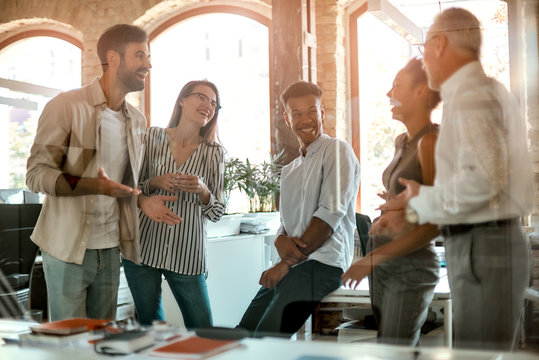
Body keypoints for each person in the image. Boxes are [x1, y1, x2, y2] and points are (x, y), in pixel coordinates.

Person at [380, 8, 533, 350]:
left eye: (423, 48)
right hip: (483, 244)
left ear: (438, 43)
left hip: (484, 246)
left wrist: (418, 199)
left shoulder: (472, 95)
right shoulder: (477, 92)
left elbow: (482, 181)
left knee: (477, 357)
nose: (425, 59)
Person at [25, 24, 178, 321]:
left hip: (110, 249)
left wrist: (141, 199)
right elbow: (36, 174)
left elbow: (123, 183)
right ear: (114, 57)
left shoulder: (136, 120)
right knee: (70, 345)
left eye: (148, 56)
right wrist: (90, 185)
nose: (148, 64)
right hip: (67, 248)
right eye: (140, 55)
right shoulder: (67, 106)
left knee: (100, 342)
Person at [238, 81, 360, 337]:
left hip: (323, 266)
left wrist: (284, 264)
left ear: (322, 113)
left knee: (267, 340)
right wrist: (280, 241)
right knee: (243, 333)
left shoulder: (337, 151)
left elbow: (327, 219)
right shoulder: (289, 170)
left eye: (312, 111)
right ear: (287, 118)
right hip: (294, 267)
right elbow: (286, 223)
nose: (306, 120)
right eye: (297, 113)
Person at [342, 58, 441, 346]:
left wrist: (370, 260)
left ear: (422, 91)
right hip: (386, 264)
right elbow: (415, 200)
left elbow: (434, 223)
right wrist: (394, 204)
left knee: (395, 351)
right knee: (392, 347)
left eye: (397, 85)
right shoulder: (402, 141)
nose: (389, 94)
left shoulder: (432, 141)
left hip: (410, 266)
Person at [122, 80, 226, 328]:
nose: (208, 106)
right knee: (151, 328)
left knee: (203, 331)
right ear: (182, 100)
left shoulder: (214, 153)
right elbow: (128, 188)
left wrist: (203, 191)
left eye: (213, 103)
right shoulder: (151, 136)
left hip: (188, 255)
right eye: (202, 97)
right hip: (143, 250)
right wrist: (155, 181)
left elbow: (217, 212)